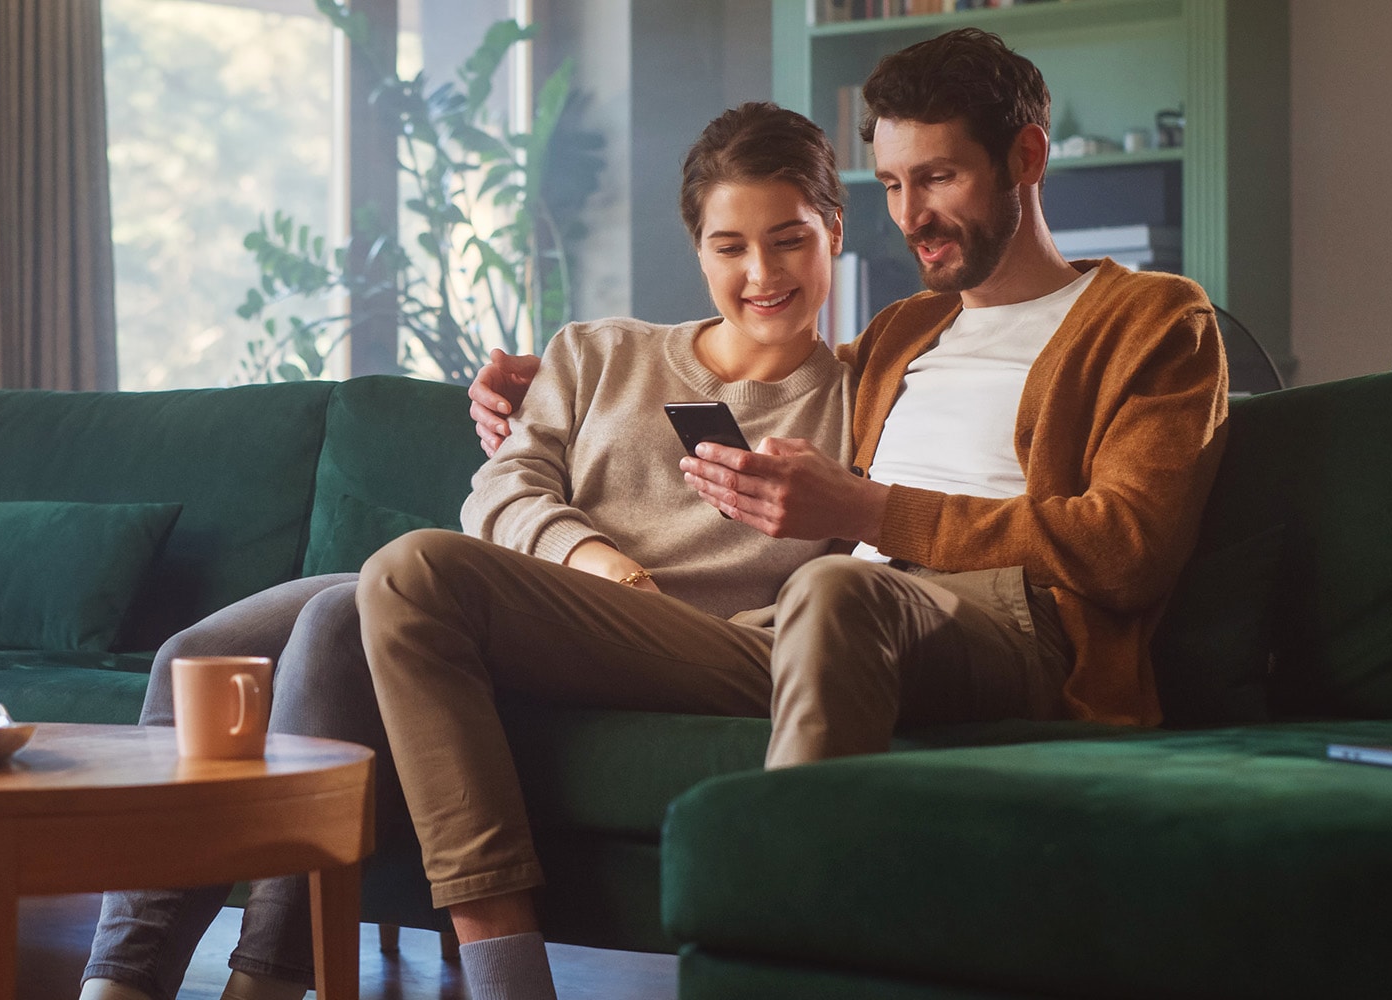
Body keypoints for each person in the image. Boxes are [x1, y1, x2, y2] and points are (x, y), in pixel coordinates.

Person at [412, 27, 1229, 996]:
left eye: (940, 178)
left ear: (1028, 156)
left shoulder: (1155, 322)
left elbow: (1128, 546)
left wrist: (872, 508)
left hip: (1009, 625)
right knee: (419, 573)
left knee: (837, 587)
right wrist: (546, 384)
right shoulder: (902, 332)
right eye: (890, 184)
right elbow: (758, 366)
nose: (912, 215)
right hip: (813, 626)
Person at [81, 102, 855, 1000]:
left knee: (342, 616)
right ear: (698, 249)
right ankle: (122, 983)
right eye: (731, 246)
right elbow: (500, 491)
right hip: (532, 593)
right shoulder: (597, 352)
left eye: (789, 240)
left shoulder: (859, 401)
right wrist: (601, 564)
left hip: (683, 640)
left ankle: (263, 979)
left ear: (834, 229)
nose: (761, 272)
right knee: (201, 658)